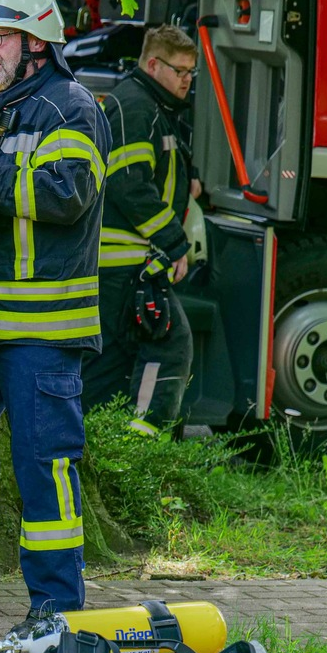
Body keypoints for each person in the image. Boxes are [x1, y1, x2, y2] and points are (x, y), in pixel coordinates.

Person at [0, 0, 111, 637]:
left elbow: (63, 193)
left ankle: (56, 605)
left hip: (43, 327)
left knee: (44, 466)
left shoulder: (73, 106)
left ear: (36, 39)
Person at [82, 24, 198, 437]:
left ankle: (99, 452)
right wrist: (174, 241)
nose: (187, 81)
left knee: (107, 369)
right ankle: (142, 448)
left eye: (191, 73)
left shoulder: (149, 108)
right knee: (170, 343)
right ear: (153, 64)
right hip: (126, 263)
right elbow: (129, 181)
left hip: (119, 265)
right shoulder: (134, 105)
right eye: (180, 71)